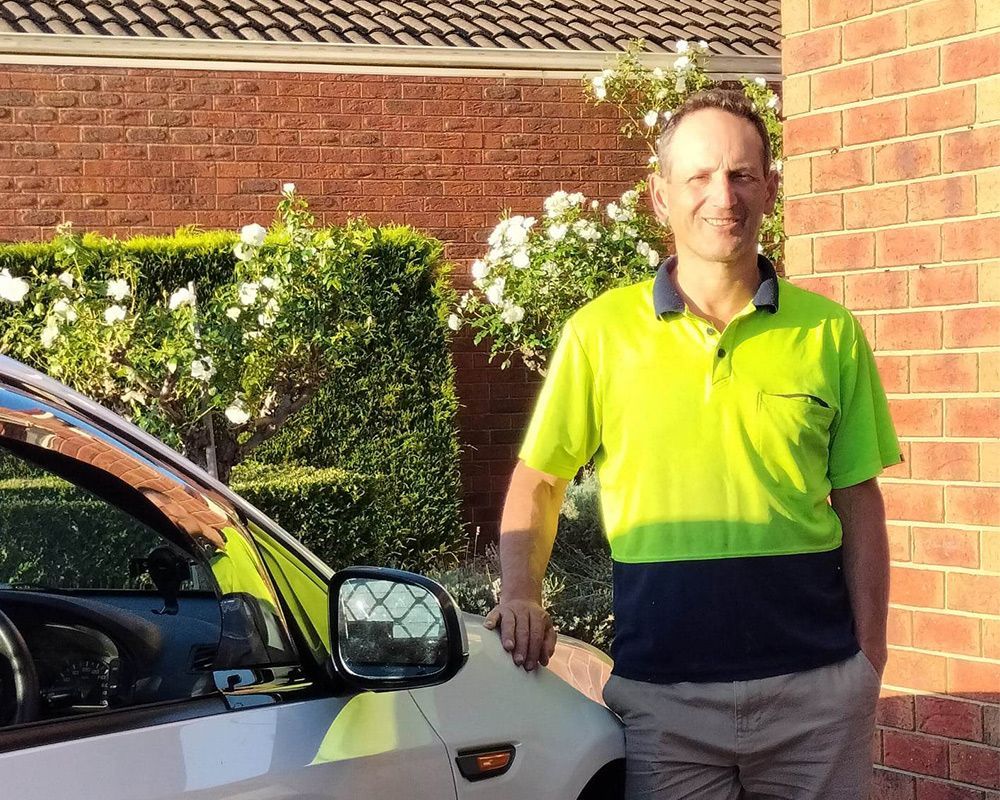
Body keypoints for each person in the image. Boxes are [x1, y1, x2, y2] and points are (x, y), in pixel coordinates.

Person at [483, 89, 901, 800]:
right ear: (659, 196)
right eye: (700, 177)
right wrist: (522, 593)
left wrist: (869, 658)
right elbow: (541, 478)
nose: (723, 197)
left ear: (771, 188)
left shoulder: (829, 333)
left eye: (742, 175)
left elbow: (859, 500)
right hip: (664, 703)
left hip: (817, 697)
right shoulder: (600, 332)